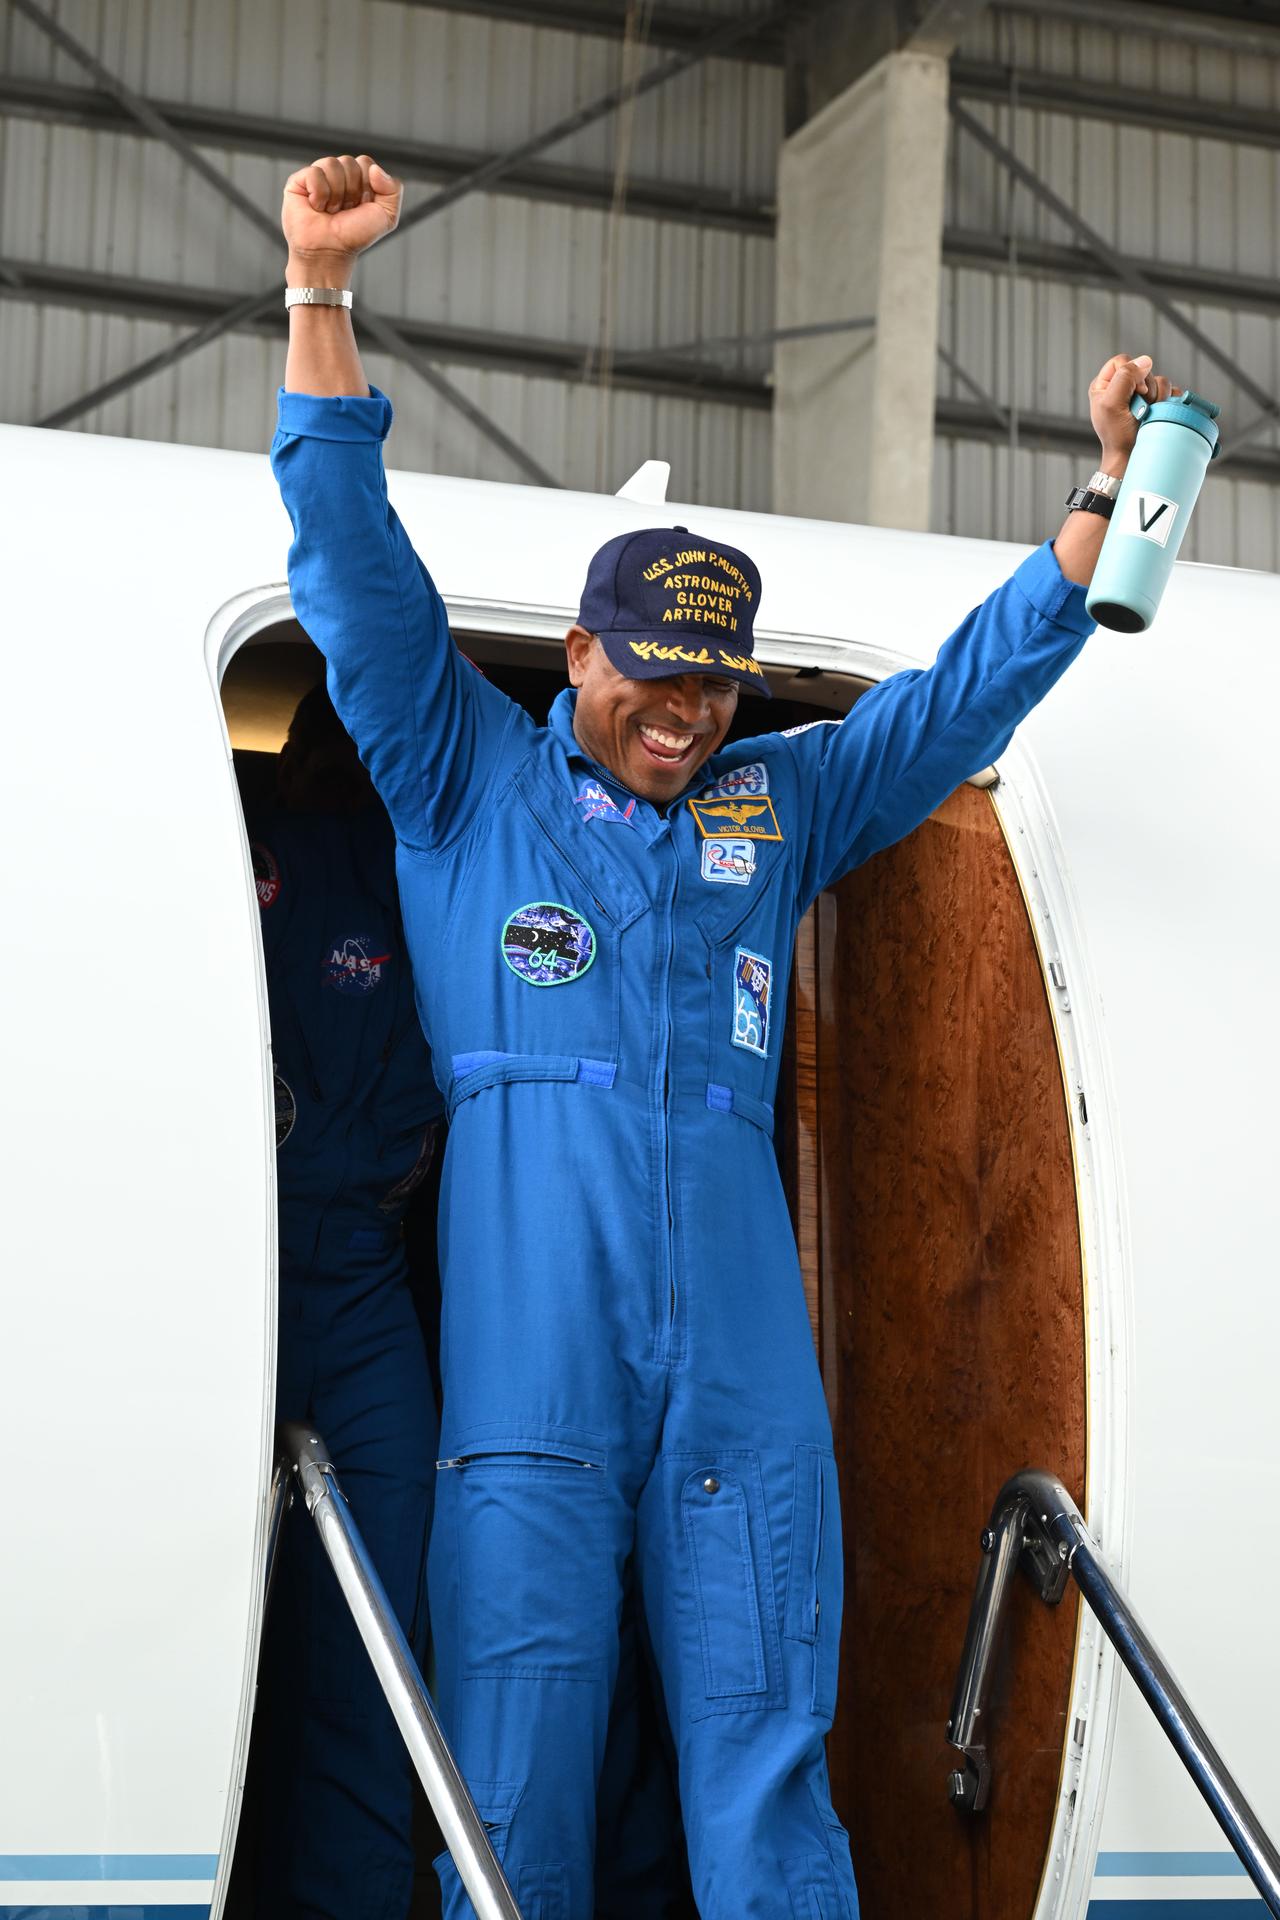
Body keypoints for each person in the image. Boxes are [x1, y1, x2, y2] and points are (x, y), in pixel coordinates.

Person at [270, 152, 1177, 1920]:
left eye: (715, 687)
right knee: (511, 1774)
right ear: (581, 657)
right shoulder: (462, 782)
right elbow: (354, 568)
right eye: (653, 677)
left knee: (768, 1756)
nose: (684, 717)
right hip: (535, 1359)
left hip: (744, 1369)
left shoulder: (776, 810)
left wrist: (1106, 498)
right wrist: (318, 294)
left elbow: (955, 698)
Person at [244, 682, 443, 1920]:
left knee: (376, 1651)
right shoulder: (244, 834)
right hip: (234, 1269)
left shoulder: (448, 866)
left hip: (369, 1281)